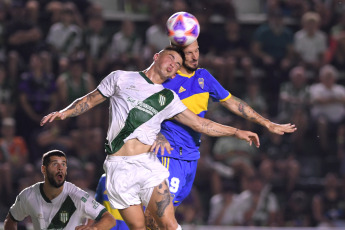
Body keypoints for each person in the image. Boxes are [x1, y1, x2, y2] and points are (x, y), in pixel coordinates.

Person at [40, 46, 261, 230]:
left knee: (169, 224)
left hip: (148, 166)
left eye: (177, 65)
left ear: (175, 74)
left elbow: (199, 124)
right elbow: (89, 100)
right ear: (156, 56)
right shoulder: (120, 78)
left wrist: (236, 131)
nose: (173, 64)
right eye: (171, 58)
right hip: (118, 169)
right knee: (140, 228)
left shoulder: (168, 97)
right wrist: (64, 112)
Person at [145, 40, 297, 228]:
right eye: (189, 53)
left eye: (197, 51)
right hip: (169, 155)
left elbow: (232, 102)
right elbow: (153, 115)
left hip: (191, 157)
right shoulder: (166, 82)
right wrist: (236, 132)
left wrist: (266, 123)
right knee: (162, 216)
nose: (195, 56)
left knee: (159, 216)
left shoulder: (203, 77)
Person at [3, 149, 116, 230]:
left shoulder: (77, 195)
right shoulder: (28, 195)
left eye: (63, 164)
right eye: (55, 164)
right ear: (44, 169)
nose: (60, 168)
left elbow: (109, 219)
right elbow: (11, 219)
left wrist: (94, 228)